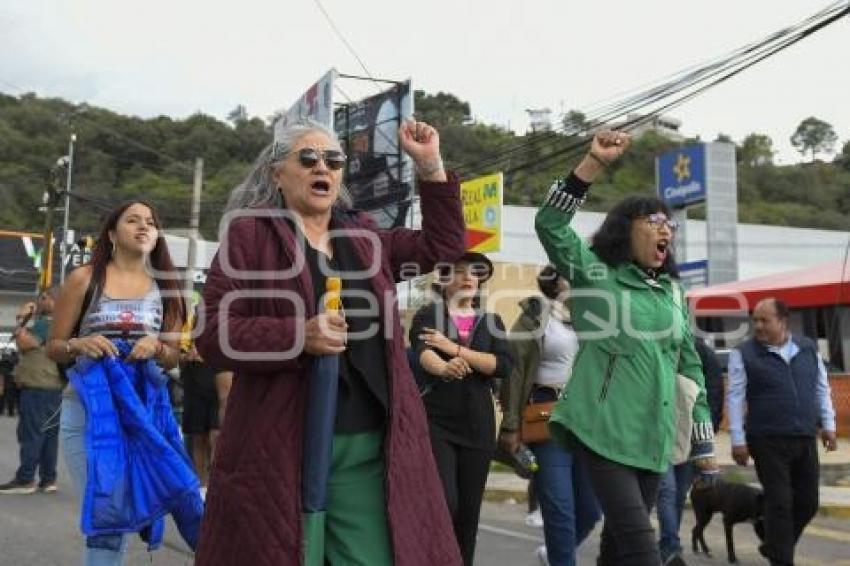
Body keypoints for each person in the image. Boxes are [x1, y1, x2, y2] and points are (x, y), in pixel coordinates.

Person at [194, 119, 466, 566]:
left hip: (368, 441)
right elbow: (213, 333)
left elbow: (444, 249)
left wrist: (431, 166)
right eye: (308, 158)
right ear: (277, 173)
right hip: (281, 444)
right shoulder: (251, 235)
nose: (323, 166)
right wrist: (299, 336)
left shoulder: (363, 238)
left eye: (333, 160)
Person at [534, 131, 718, 566]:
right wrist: (591, 164)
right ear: (625, 230)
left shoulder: (673, 292)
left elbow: (689, 367)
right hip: (603, 429)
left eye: (668, 224)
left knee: (617, 550)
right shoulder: (596, 274)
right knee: (641, 549)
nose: (664, 229)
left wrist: (703, 442)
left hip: (653, 438)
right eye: (653, 220)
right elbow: (550, 225)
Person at [45, 200, 188, 564]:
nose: (144, 227)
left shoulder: (169, 288)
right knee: (110, 516)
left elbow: (174, 357)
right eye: (133, 221)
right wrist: (79, 343)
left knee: (142, 507)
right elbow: (55, 348)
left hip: (145, 417)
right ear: (111, 233)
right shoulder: (83, 279)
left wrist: (157, 346)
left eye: (151, 223)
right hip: (87, 415)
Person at [408, 251, 513, 566]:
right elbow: (424, 350)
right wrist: (443, 368)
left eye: (475, 272)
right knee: (445, 503)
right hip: (437, 422)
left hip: (478, 425)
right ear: (444, 278)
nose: (469, 277)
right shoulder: (430, 314)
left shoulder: (491, 321)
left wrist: (454, 350)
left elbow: (502, 366)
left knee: (468, 513)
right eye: (460, 271)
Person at [499, 265, 600, 566]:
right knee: (559, 508)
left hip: (587, 419)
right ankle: (562, 560)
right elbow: (513, 371)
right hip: (546, 415)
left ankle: (554, 554)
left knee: (591, 511)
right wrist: (510, 425)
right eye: (571, 275)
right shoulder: (534, 316)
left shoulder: (593, 318)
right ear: (555, 284)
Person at [727, 297, 838, 566]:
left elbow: (821, 389)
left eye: (765, 320)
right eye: (755, 320)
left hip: (804, 436)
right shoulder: (743, 353)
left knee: (808, 502)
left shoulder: (808, 348)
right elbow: (735, 397)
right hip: (766, 439)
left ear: (783, 321)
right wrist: (737, 439)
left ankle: (774, 541)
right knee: (780, 503)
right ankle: (781, 559)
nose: (758, 325)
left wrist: (829, 425)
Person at [655, 338, 725, 566]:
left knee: (676, 495)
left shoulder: (704, 356)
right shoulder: (655, 350)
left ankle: (668, 543)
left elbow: (712, 398)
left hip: (691, 438)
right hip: (659, 436)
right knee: (667, 491)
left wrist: (706, 441)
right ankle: (671, 546)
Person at [0, 290, 63, 495]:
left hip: (39, 386)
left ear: (56, 300)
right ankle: (48, 478)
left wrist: (20, 319)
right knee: (49, 435)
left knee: (31, 433)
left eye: (44, 298)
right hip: (53, 386)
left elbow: (25, 343)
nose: (39, 301)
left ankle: (25, 478)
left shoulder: (47, 323)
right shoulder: (62, 322)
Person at [180, 340, 230, 490]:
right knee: (198, 436)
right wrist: (186, 356)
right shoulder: (186, 318)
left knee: (216, 435)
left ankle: (217, 485)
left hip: (221, 371)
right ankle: (201, 486)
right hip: (194, 375)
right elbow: (173, 351)